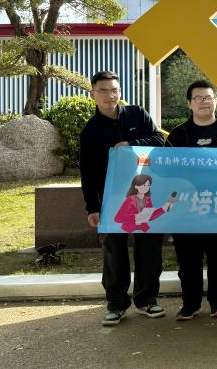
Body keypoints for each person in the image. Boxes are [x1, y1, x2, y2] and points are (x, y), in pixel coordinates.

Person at [79, 70, 166, 326]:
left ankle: (146, 299)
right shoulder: (90, 131)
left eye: (114, 90)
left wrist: (131, 144)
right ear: (93, 94)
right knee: (114, 252)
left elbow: (159, 140)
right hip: (111, 198)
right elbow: (88, 173)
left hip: (145, 193)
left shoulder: (137, 114)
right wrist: (92, 207)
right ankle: (116, 304)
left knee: (149, 248)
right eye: (104, 91)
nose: (110, 95)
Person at [165, 79, 217, 320]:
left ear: (216, 100)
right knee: (188, 259)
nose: (203, 102)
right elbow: (167, 174)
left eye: (208, 97)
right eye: (197, 98)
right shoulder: (177, 136)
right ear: (189, 103)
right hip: (185, 210)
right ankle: (191, 303)